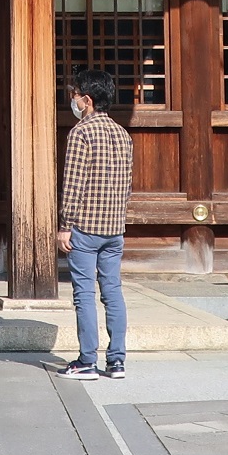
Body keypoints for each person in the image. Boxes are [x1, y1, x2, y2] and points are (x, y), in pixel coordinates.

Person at [59, 68, 133, 380]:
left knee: (84, 293)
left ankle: (87, 360)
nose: (72, 100)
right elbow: (127, 184)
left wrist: (65, 224)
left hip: (85, 227)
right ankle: (116, 361)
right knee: (113, 291)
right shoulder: (123, 133)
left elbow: (73, 183)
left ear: (87, 100)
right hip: (115, 228)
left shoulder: (81, 133)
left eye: (74, 95)